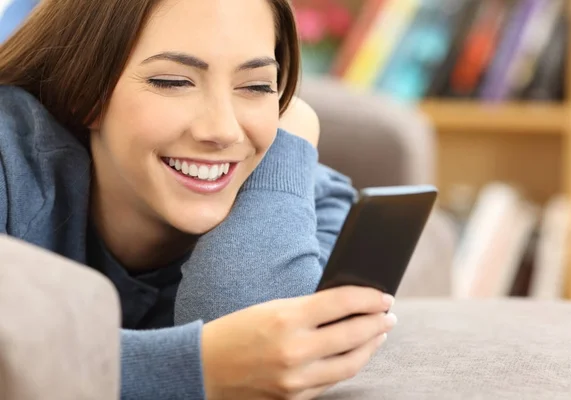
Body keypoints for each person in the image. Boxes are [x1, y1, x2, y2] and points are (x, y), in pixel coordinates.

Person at [0, 0, 398, 398]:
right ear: (85, 91)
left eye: (257, 86)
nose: (222, 130)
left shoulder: (304, 202)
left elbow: (266, 359)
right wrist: (195, 367)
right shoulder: (8, 159)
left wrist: (291, 134)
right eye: (173, 82)